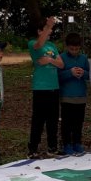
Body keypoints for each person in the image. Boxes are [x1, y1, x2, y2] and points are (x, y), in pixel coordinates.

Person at [27, 16, 63, 158]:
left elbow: (61, 64)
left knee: (53, 119)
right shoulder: (33, 43)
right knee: (38, 119)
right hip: (40, 88)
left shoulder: (52, 46)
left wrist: (49, 60)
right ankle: (33, 149)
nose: (50, 32)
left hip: (54, 87)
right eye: (47, 30)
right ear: (39, 31)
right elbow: (39, 45)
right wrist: (48, 26)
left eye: (51, 29)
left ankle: (52, 147)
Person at [57, 31, 89, 156]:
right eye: (71, 49)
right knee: (66, 122)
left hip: (81, 96)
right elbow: (58, 76)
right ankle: (66, 144)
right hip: (67, 96)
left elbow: (90, 75)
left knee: (78, 122)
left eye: (77, 49)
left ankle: (77, 142)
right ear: (67, 47)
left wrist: (83, 73)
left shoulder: (84, 58)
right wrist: (70, 73)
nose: (74, 51)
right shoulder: (61, 58)